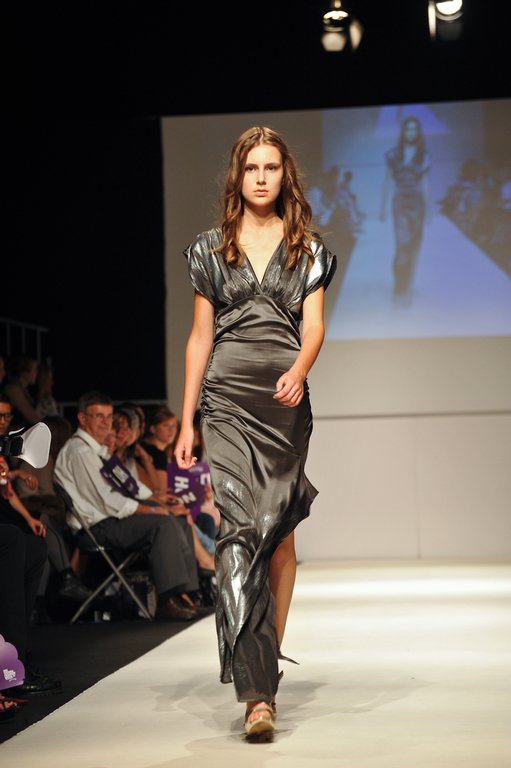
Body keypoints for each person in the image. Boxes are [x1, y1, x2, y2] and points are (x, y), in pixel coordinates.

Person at [174, 125, 336, 741]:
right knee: (238, 534)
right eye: (251, 168)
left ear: (284, 174)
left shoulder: (308, 250)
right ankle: (257, 693)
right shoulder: (210, 249)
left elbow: (314, 327)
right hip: (225, 400)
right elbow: (200, 338)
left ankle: (266, 663)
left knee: (280, 537)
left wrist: (299, 369)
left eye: (271, 167)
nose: (261, 177)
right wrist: (186, 420)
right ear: (237, 177)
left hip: (283, 403)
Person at [54, 391, 205, 622]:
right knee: (163, 524)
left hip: (113, 519)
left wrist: (158, 500)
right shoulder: (80, 452)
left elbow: (129, 485)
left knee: (179, 521)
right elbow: (109, 501)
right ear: (82, 419)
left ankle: (186, 596)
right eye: (99, 416)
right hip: (98, 527)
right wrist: (154, 509)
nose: (106, 423)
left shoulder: (98, 450)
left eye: (109, 416)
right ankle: (166, 600)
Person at [380, 115, 431, 305]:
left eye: (414, 129)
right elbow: (387, 181)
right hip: (400, 202)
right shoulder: (393, 155)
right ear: (404, 132)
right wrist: (382, 207)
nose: (411, 132)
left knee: (414, 248)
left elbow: (426, 183)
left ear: (418, 132)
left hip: (418, 204)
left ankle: (407, 289)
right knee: (402, 246)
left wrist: (430, 210)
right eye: (408, 129)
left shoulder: (424, 155)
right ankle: (398, 288)